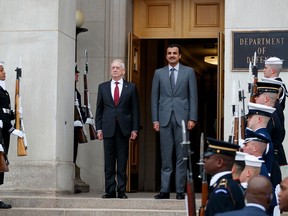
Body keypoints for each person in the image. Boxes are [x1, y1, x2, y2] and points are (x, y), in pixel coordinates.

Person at [151, 44, 198, 200]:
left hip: (183, 118)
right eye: (169, 53)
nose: (172, 55)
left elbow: (193, 97)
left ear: (180, 56)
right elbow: (154, 98)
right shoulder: (158, 73)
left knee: (181, 155)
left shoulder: (189, 72)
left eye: (174, 53)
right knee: (165, 156)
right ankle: (164, 190)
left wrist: (193, 117)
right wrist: (155, 119)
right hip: (164, 118)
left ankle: (179, 190)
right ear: (166, 56)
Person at [95, 59, 140, 199]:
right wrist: (99, 129)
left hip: (123, 129)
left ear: (123, 71)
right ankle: (110, 190)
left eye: (117, 68)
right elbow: (99, 110)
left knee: (122, 161)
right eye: (113, 68)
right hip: (107, 128)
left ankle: (121, 190)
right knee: (109, 162)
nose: (114, 70)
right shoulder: (102, 87)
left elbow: (135, 110)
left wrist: (135, 129)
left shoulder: (131, 87)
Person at [0, 61, 24, 209]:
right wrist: (10, 128)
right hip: (1, 131)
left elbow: (5, 111)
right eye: (1, 70)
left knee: (1, 164)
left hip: (4, 132)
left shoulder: (5, 91)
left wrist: (16, 115)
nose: (4, 72)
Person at [203, 137, 245, 216]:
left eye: (208, 157)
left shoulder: (221, 193)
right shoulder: (229, 185)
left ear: (219, 162)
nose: (204, 160)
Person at [73, 65, 89, 194]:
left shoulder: (76, 92)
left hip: (76, 127)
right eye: (76, 73)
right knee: (71, 153)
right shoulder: (69, 90)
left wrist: (84, 118)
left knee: (74, 153)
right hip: (70, 128)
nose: (77, 75)